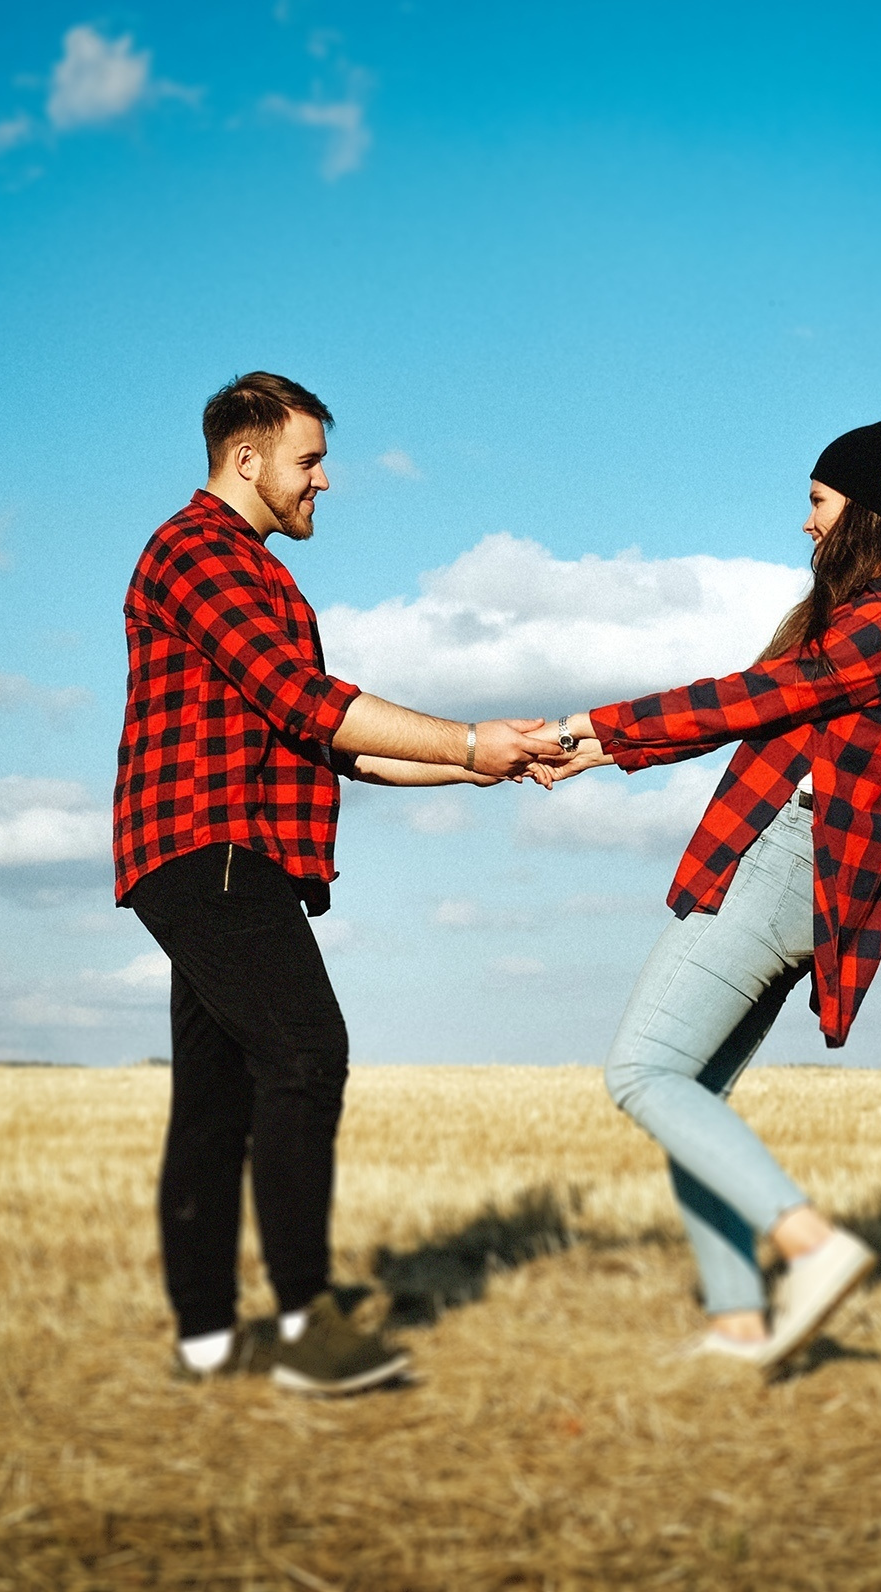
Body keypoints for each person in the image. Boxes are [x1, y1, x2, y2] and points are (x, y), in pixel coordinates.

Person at [113, 372, 560, 1394]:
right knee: (307, 1054)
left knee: (219, 1096)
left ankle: (208, 1341)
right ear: (247, 459)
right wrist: (468, 737)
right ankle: (308, 1325)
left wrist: (479, 762)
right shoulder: (197, 552)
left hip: (219, 855)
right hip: (211, 850)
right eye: (310, 460)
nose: (325, 480)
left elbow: (335, 746)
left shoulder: (257, 576)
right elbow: (306, 700)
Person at [543, 418, 881, 1371]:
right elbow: (750, 707)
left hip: (778, 868)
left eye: (818, 502)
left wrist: (585, 727)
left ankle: (810, 1244)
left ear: (866, 511)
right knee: (690, 1094)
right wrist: (597, 749)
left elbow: (740, 701)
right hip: (794, 878)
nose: (806, 524)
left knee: (640, 1076)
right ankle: (739, 1322)